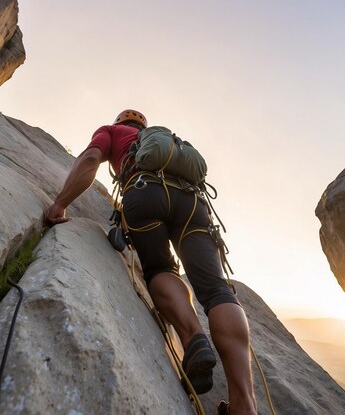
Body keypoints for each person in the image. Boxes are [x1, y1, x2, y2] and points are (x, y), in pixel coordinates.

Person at [46, 109, 257, 415]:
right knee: (215, 289)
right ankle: (245, 405)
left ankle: (193, 338)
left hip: (144, 193)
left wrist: (60, 203)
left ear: (121, 124)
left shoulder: (111, 132)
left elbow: (91, 159)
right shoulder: (168, 143)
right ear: (145, 130)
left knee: (161, 269)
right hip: (191, 202)